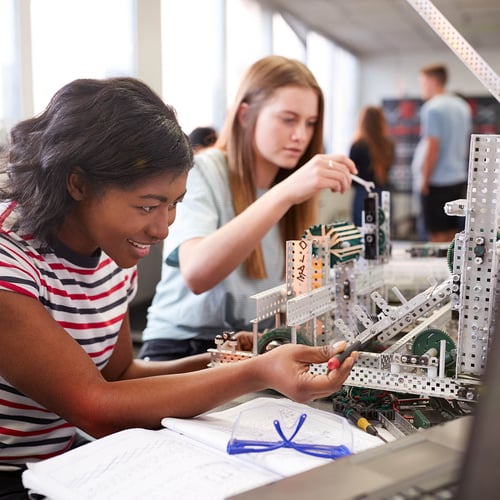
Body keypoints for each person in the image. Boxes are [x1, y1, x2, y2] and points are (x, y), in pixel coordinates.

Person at [0, 76, 358, 499]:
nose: (162, 227)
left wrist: (228, 359)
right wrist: (254, 372)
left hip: (61, 464)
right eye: (148, 206)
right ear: (78, 184)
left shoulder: (113, 250)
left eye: (174, 204)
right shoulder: (11, 258)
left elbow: (120, 376)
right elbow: (95, 407)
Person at [139, 55, 358, 361]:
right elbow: (197, 274)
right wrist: (285, 193)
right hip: (182, 350)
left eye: (310, 124)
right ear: (245, 115)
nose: (301, 135)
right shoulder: (202, 170)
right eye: (288, 119)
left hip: (252, 348)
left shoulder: (293, 193)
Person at [413, 63, 472, 242]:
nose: (421, 87)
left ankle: (440, 270)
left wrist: (425, 179)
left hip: (437, 181)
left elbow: (433, 146)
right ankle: (452, 269)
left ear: (433, 81)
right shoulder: (463, 106)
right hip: (458, 178)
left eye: (422, 82)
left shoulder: (432, 108)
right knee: (453, 234)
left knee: (436, 236)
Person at [348, 106, 395, 227]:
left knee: (363, 234)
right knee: (383, 234)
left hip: (363, 195)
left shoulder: (358, 146)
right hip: (384, 194)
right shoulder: (389, 145)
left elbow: (351, 174)